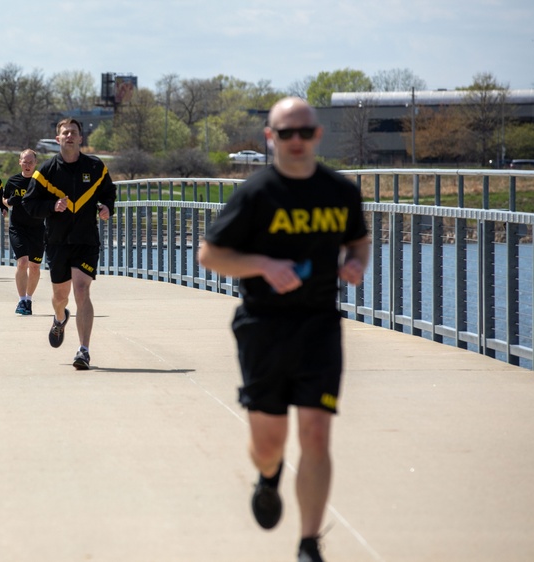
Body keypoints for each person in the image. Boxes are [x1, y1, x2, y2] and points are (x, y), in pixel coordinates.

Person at [197, 97, 370, 562]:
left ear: (317, 136)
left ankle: (308, 543)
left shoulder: (340, 191)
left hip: (319, 325)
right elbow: (209, 255)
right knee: (268, 444)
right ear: (270, 138)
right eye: (285, 133)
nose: (296, 141)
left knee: (316, 433)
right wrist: (262, 265)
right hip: (264, 327)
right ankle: (269, 475)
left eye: (305, 132)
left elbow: (359, 239)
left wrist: (355, 263)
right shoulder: (256, 194)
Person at [22, 118, 116, 370]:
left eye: (74, 133)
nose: (70, 136)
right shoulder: (47, 171)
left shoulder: (96, 167)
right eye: (65, 133)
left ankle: (84, 350)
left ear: (81, 138)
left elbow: (109, 192)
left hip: (86, 240)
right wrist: (52, 206)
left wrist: (108, 207)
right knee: (60, 297)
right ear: (58, 139)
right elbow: (29, 204)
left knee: (82, 290)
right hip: (57, 241)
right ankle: (59, 318)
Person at [2, 149, 44, 315]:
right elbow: (4, 199)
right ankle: (21, 301)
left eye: (30, 162)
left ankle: (29, 299)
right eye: (24, 162)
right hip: (18, 227)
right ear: (20, 162)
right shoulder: (13, 181)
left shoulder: (40, 182)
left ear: (35, 163)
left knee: (34, 266)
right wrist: (8, 202)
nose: (27, 165)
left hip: (37, 228)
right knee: (23, 262)